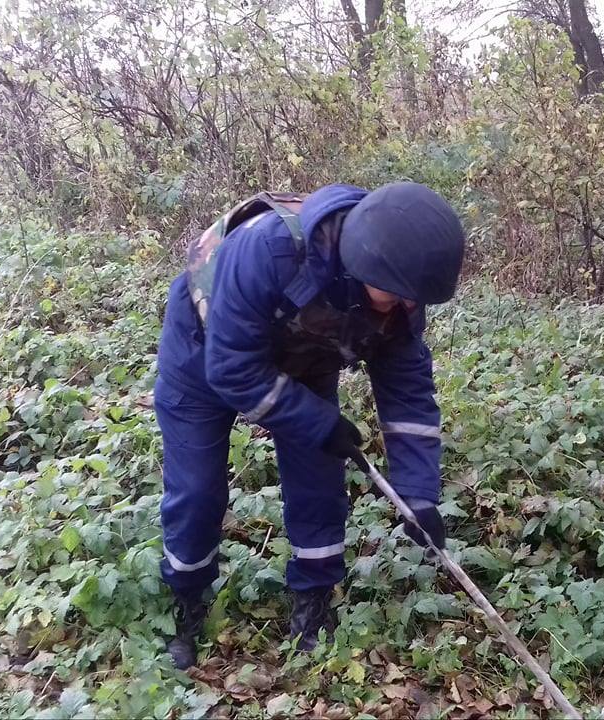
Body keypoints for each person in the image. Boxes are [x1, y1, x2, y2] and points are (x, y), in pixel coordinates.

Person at [153, 182, 464, 669]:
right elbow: (231, 369)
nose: (407, 305)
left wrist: (418, 497)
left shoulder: (398, 286)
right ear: (363, 260)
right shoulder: (269, 250)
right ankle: (187, 598)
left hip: (305, 356)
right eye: (399, 295)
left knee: (319, 479)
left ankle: (313, 601)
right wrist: (318, 420)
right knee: (196, 490)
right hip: (204, 351)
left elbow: (408, 393)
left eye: (414, 299)